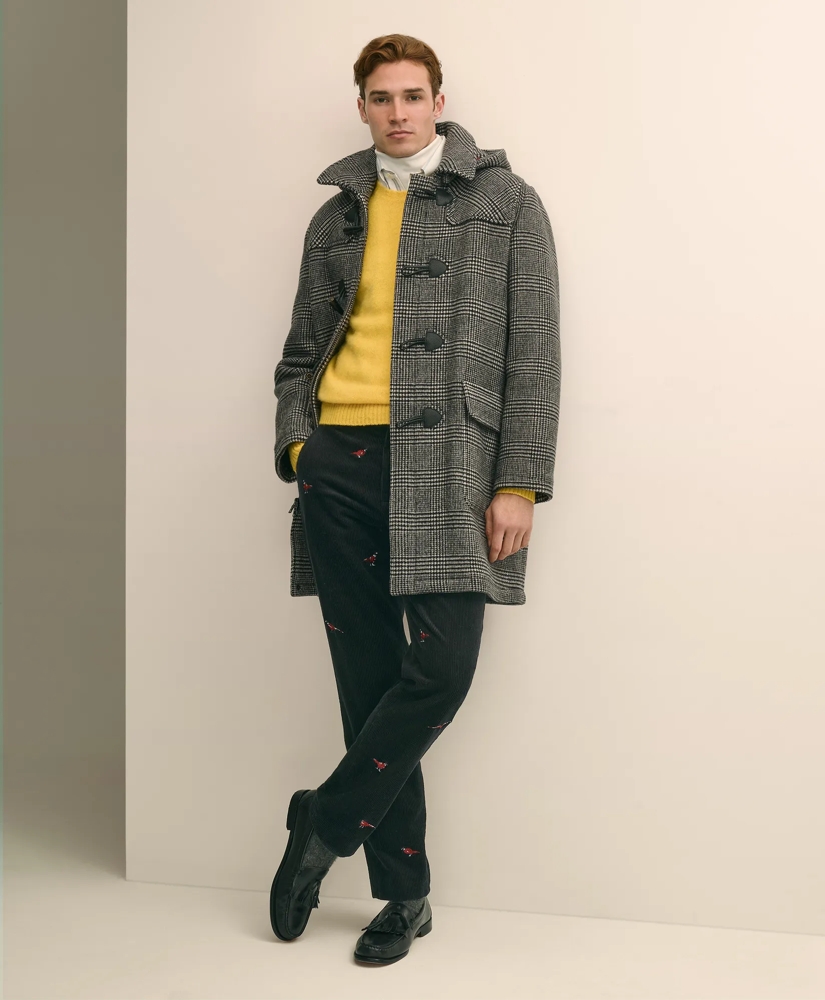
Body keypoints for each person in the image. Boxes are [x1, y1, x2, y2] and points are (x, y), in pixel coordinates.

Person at [269, 33, 561, 965]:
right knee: (367, 684)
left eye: (411, 95)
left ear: (439, 101)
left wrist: (516, 481)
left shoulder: (505, 203)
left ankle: (324, 822)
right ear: (360, 106)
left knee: (438, 672)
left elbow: (533, 352)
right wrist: (299, 448)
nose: (396, 112)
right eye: (380, 97)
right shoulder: (336, 217)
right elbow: (299, 353)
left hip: (449, 466)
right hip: (340, 462)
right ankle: (405, 897)